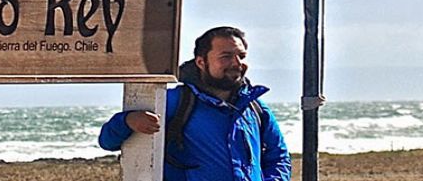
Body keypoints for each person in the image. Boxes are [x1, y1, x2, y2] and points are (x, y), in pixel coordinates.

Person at [98, 26, 292, 181]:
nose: (236, 63)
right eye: (226, 57)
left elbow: (279, 157)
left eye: (241, 56)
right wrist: (128, 121)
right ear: (201, 62)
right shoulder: (175, 102)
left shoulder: (256, 108)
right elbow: (107, 141)